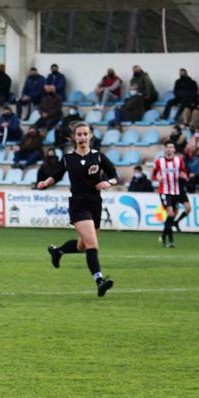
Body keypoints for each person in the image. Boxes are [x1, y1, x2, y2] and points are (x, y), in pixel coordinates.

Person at [37, 122, 118, 297]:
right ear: (74, 137)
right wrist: (45, 183)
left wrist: (108, 183)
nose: (82, 137)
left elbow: (114, 176)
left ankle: (57, 251)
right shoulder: (68, 158)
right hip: (78, 205)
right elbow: (56, 176)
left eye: (85, 134)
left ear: (90, 136)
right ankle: (100, 281)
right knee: (92, 244)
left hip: (95, 204)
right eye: (79, 134)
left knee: (82, 246)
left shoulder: (98, 157)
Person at [153, 143, 187, 248]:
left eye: (171, 147)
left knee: (172, 216)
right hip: (164, 191)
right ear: (165, 150)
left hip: (176, 192)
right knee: (171, 214)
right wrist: (157, 178)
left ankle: (164, 237)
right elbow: (154, 174)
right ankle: (170, 240)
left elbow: (183, 172)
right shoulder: (159, 162)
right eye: (167, 147)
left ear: (174, 149)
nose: (169, 149)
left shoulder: (179, 161)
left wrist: (183, 175)